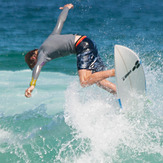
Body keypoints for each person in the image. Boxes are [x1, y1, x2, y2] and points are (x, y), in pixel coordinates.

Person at [25, 3, 116, 98]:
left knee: (84, 81)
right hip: (86, 41)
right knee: (97, 79)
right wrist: (66, 8)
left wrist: (32, 85)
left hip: (81, 46)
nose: (38, 62)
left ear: (34, 57)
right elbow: (60, 21)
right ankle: (118, 92)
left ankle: (114, 72)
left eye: (34, 63)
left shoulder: (42, 54)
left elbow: (38, 67)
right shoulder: (51, 37)